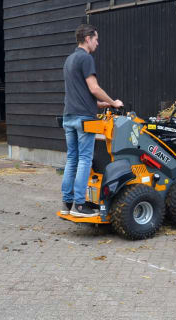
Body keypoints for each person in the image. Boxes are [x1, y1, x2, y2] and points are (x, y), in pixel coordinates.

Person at [61, 24, 123, 217]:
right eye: (96, 39)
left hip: (69, 116)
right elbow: (94, 88)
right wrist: (113, 102)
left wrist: (104, 105)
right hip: (84, 120)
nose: (97, 43)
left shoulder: (69, 60)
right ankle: (80, 205)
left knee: (72, 159)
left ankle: (67, 201)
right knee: (85, 160)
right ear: (87, 38)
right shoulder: (86, 58)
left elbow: (81, 95)